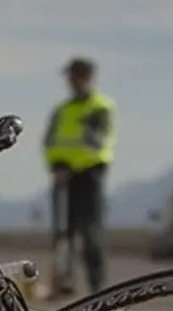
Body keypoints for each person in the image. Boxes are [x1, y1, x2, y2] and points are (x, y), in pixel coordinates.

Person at [42, 57, 117, 298]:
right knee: (63, 233)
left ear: (88, 77)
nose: (72, 82)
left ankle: (97, 287)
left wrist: (73, 166)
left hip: (89, 176)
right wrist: (57, 165)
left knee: (91, 233)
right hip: (62, 177)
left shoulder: (100, 108)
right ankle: (64, 282)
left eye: (76, 76)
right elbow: (50, 142)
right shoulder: (61, 110)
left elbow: (98, 142)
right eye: (70, 77)